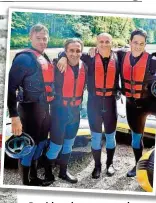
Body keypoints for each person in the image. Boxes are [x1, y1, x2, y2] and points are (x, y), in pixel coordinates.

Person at [57, 33, 119, 179]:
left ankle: (109, 164)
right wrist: (63, 57)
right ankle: (97, 166)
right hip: (93, 104)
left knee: (111, 137)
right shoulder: (88, 56)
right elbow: (67, 51)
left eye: (107, 41)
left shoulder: (119, 57)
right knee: (96, 138)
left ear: (111, 43)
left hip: (111, 103)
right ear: (96, 43)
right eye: (101, 42)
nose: (104, 44)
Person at [7, 24, 55, 186]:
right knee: (29, 146)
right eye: (38, 38)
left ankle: (34, 177)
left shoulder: (43, 57)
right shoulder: (24, 58)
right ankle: (26, 182)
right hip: (28, 111)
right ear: (30, 38)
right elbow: (10, 88)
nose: (42, 42)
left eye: (45, 38)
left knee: (41, 143)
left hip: (44, 109)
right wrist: (14, 116)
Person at [44, 38, 87, 184]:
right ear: (66, 51)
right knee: (56, 146)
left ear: (81, 52)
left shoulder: (85, 67)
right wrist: (62, 55)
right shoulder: (57, 65)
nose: (74, 54)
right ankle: (48, 173)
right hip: (59, 112)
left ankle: (63, 172)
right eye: (71, 51)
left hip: (75, 112)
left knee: (68, 144)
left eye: (78, 50)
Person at [117, 29, 156, 177]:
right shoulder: (121, 55)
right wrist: (63, 56)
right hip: (133, 105)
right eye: (135, 42)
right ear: (130, 42)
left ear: (145, 45)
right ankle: (137, 166)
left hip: (152, 103)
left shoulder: (153, 61)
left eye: (142, 43)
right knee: (136, 139)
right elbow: (103, 50)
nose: (138, 46)